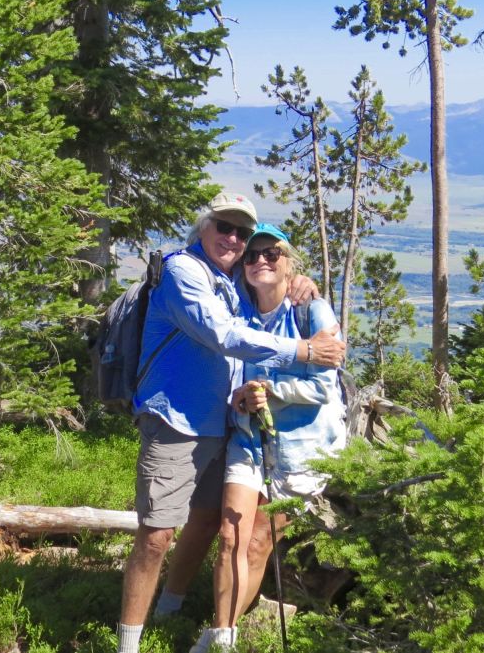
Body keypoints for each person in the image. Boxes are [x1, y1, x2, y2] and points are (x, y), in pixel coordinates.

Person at [117, 194, 346, 653]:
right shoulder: (185, 272)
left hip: (233, 428)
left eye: (249, 237)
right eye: (226, 227)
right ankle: (130, 643)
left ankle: (172, 612)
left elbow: (319, 378)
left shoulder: (233, 284)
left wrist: (301, 282)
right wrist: (301, 352)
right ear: (204, 226)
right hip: (177, 421)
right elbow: (222, 335)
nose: (237, 241)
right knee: (159, 533)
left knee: (206, 525)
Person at [190, 224, 347, 653]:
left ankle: (222, 631)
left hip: (303, 450)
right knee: (230, 535)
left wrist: (271, 392)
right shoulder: (236, 312)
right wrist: (241, 397)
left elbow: (322, 389)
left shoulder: (311, 312)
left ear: (288, 264)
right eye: (252, 255)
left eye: (271, 254)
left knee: (258, 540)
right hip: (249, 440)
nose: (260, 260)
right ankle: (221, 637)